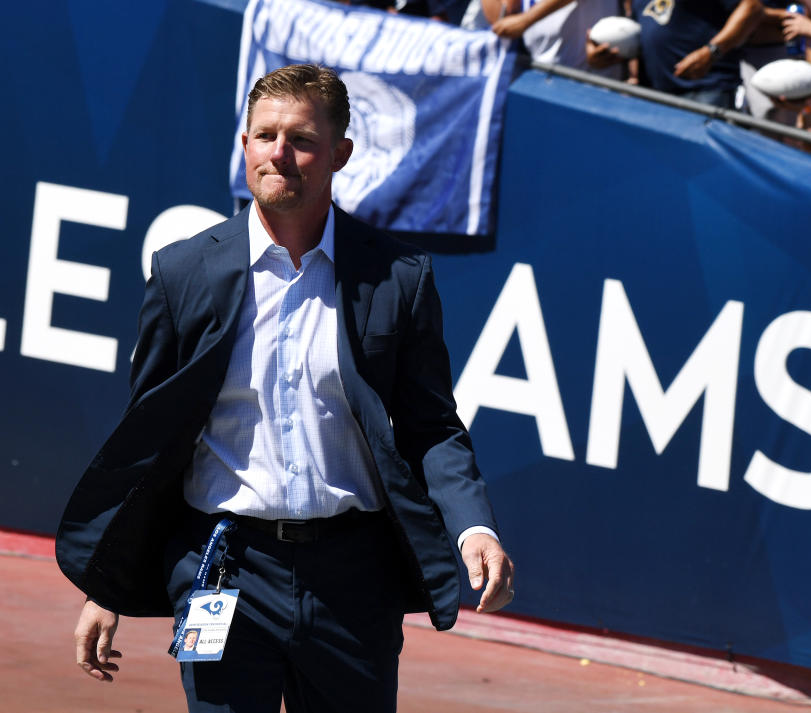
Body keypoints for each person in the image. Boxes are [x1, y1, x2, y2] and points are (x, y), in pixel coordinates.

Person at [57, 63, 515, 713]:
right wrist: (108, 584)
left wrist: (474, 528)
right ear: (243, 145)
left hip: (354, 581)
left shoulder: (397, 278)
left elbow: (433, 427)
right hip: (222, 568)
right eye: (264, 135)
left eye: (300, 139)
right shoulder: (185, 271)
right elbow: (151, 442)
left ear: (340, 154)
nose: (279, 153)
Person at [586, 0, 764, 108]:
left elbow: (752, 8)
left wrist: (712, 51)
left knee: (701, 166)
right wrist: (605, 57)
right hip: (655, 95)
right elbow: (642, 38)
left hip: (706, 90)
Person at [481, 0, 622, 77]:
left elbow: (516, 24)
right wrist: (520, 21)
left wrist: (525, 20)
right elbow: (501, 21)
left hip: (592, 84)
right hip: (542, 78)